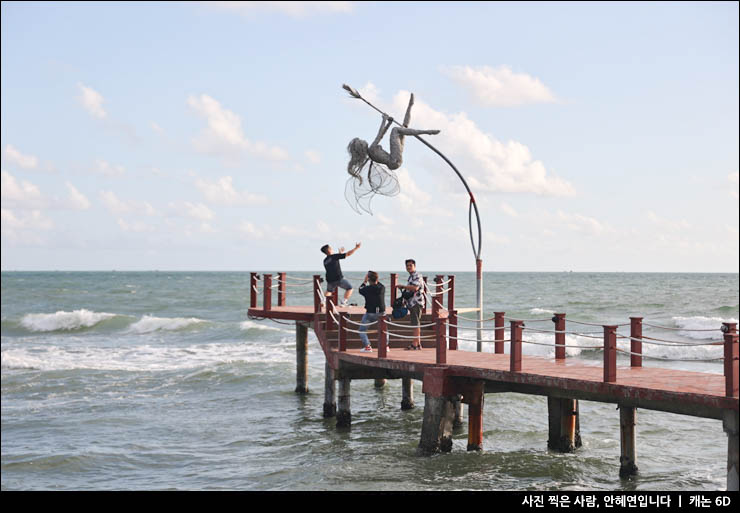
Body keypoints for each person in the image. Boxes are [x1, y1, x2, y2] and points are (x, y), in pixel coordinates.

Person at [346, 93, 440, 183]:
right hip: (393, 160)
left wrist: (388, 123)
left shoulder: (371, 151)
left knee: (403, 129)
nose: (364, 140)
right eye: (362, 142)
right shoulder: (371, 149)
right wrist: (384, 120)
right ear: (361, 147)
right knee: (395, 130)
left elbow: (382, 134)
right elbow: (380, 135)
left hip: (395, 161)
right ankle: (427, 132)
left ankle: (410, 105)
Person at [321, 242, 361, 307]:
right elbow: (348, 254)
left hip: (330, 280)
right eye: (330, 248)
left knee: (329, 291)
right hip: (338, 278)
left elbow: (333, 261)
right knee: (350, 288)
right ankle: (343, 302)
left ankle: (323, 301)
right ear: (328, 250)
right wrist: (356, 248)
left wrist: (340, 254)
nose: (331, 249)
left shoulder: (325, 260)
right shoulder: (334, 256)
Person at [397, 259, 425, 350]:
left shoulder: (416, 275)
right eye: (407, 266)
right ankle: (418, 344)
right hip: (412, 303)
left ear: (414, 266)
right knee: (416, 323)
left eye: (410, 265)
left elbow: (415, 288)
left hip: (416, 303)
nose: (408, 267)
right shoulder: (411, 276)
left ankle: (414, 344)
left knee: (415, 324)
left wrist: (403, 286)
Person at [357, 271, 386, 352]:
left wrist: (365, 281)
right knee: (384, 330)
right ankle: (386, 346)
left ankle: (367, 346)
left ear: (369, 279)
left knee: (362, 330)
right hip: (381, 313)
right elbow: (379, 284)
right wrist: (375, 279)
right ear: (377, 279)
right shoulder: (382, 288)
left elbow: (360, 289)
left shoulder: (366, 289)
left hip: (370, 313)